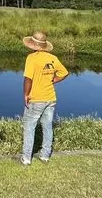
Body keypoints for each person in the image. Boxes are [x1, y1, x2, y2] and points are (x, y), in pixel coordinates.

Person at [20, 30, 69, 165]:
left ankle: (26, 158)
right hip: (51, 98)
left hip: (36, 98)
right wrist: (53, 80)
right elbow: (64, 73)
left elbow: (28, 79)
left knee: (29, 126)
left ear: (34, 44)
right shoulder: (53, 58)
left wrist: (26, 94)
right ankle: (45, 155)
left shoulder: (31, 58)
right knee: (47, 126)